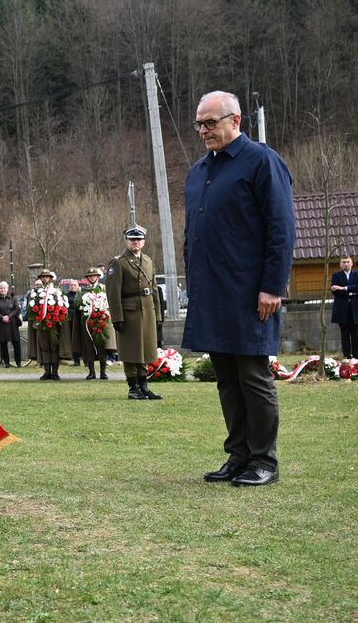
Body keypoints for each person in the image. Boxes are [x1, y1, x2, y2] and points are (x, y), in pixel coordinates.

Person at [183, 90, 296, 488]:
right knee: (226, 376)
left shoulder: (262, 161)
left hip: (250, 293)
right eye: (199, 123)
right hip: (212, 292)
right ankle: (239, 456)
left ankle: (264, 460)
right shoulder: (199, 171)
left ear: (236, 120)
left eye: (210, 123)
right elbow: (192, 234)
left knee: (253, 375)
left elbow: (281, 229)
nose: (202, 130)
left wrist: (272, 286)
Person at [105, 225, 163, 400]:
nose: (135, 242)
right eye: (132, 239)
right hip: (129, 313)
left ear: (143, 242)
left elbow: (153, 290)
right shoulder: (119, 262)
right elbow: (113, 293)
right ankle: (133, 387)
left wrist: (158, 315)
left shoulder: (148, 261)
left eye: (138, 239)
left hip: (147, 313)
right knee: (131, 351)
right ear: (127, 241)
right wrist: (117, 317)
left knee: (144, 350)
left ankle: (144, 386)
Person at [28, 269, 66, 380]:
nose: (45, 278)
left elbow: (62, 307)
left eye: (47, 277)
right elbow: (31, 309)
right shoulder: (35, 293)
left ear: (50, 278)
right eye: (43, 277)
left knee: (54, 347)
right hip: (41, 324)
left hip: (54, 324)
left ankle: (55, 372)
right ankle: (47, 372)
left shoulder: (56, 291)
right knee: (44, 348)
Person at [74, 267, 110, 380]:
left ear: (98, 277)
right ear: (87, 278)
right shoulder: (82, 290)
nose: (92, 278)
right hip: (87, 322)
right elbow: (76, 303)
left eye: (94, 276)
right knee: (89, 346)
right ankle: (91, 372)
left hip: (101, 321)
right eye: (90, 276)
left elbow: (110, 301)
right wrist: (85, 303)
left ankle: (103, 372)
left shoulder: (103, 288)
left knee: (101, 346)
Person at [330, 255, 358, 358]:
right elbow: (334, 290)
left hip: (355, 309)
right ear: (340, 264)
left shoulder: (356, 274)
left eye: (347, 262)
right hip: (342, 310)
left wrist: (344, 288)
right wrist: (352, 292)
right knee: (344, 334)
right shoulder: (336, 275)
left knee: (356, 334)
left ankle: (356, 358)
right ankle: (347, 357)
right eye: (343, 262)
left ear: (352, 263)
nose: (346, 264)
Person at [0, 281, 22, 367]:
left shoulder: (13, 298)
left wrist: (9, 316)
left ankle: (18, 362)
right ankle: (6, 363)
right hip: (1, 324)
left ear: (7, 289)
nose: (3, 289)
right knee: (3, 344)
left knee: (16, 343)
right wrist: (2, 317)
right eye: (1, 288)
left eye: (4, 288)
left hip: (12, 323)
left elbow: (16, 309)